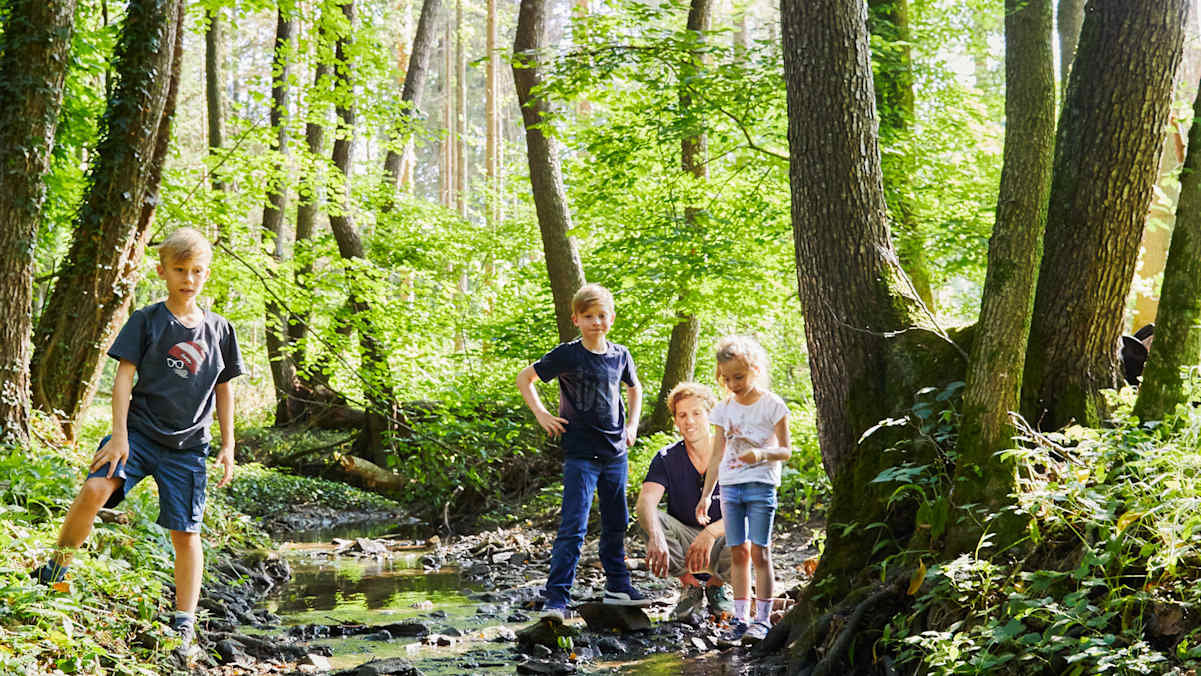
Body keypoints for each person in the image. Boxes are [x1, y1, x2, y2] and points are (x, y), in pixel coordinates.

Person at [31, 228, 244, 656]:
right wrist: (120, 435)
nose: (188, 278)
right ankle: (56, 567)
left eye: (197, 271)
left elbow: (224, 388)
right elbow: (124, 377)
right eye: (180, 270)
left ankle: (184, 622)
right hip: (140, 432)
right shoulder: (147, 320)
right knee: (94, 488)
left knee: (186, 533)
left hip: (188, 447)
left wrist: (228, 444)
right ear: (163, 270)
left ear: (207, 273)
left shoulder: (220, 330)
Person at [516, 283, 647, 619]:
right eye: (588, 316)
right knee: (574, 525)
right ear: (576, 319)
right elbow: (524, 378)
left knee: (617, 521)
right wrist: (542, 414)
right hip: (580, 455)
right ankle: (557, 599)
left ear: (611, 318)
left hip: (616, 452)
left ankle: (618, 585)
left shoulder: (620, 355)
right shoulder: (567, 354)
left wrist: (632, 426)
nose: (596, 322)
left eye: (602, 316)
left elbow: (635, 389)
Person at [696, 335, 790, 643]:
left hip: (761, 486)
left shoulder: (772, 404)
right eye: (726, 378)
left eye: (739, 376)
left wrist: (761, 455)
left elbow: (786, 450)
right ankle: (740, 617)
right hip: (731, 487)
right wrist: (707, 493)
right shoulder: (724, 409)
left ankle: (762, 620)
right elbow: (716, 454)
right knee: (738, 551)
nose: (733, 383)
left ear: (755, 370)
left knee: (760, 551)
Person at [636, 382, 734, 620]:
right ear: (676, 422)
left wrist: (710, 533)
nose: (689, 421)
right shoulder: (666, 458)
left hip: (724, 540)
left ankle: (716, 587)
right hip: (685, 542)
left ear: (710, 415)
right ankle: (690, 587)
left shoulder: (731, 453)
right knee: (649, 518)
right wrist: (656, 536)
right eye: (682, 415)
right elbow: (646, 502)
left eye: (696, 413)